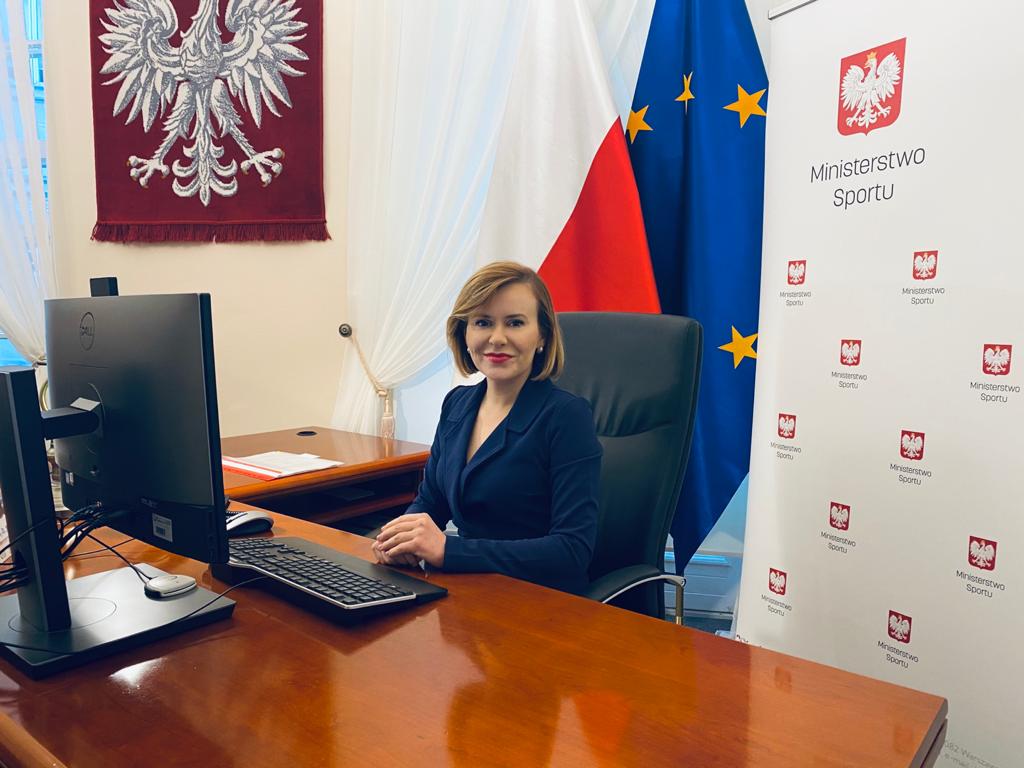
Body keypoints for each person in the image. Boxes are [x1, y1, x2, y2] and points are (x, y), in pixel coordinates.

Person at [372, 262, 602, 594]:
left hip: (541, 600)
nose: (497, 338)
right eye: (482, 322)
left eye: (515, 323)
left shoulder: (566, 416)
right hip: (467, 589)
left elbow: (572, 551)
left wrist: (449, 550)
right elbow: (432, 500)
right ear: (464, 333)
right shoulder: (457, 403)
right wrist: (399, 539)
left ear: (542, 335)